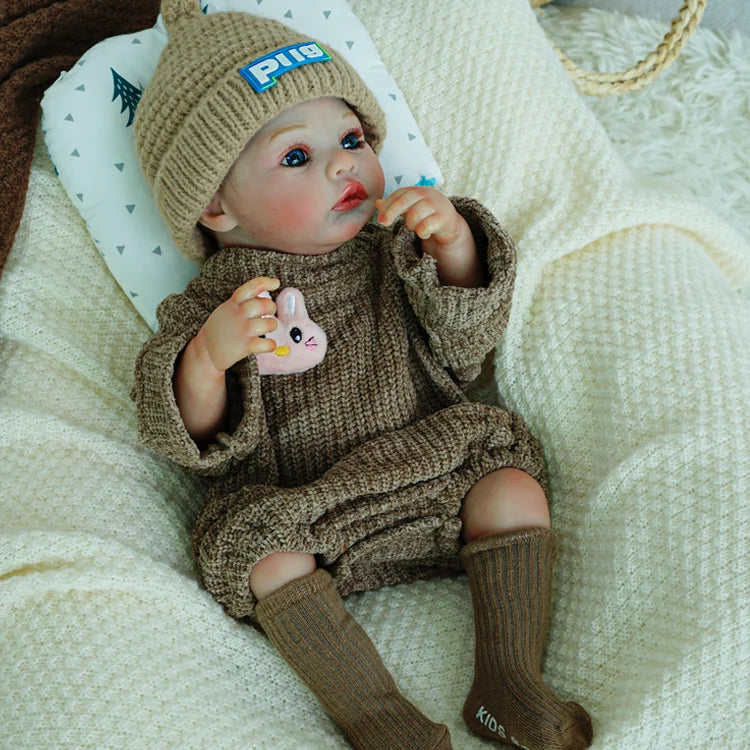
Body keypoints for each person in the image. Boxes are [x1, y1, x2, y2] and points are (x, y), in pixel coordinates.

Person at [132, 2, 593, 749]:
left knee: (509, 479)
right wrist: (210, 358)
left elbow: (466, 344)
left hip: (432, 469)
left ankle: (507, 681)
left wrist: (453, 245)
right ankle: (382, 723)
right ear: (216, 205)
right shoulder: (214, 308)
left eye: (350, 139)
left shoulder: (393, 247)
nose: (344, 164)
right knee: (258, 553)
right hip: (309, 516)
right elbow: (186, 433)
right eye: (296, 157)